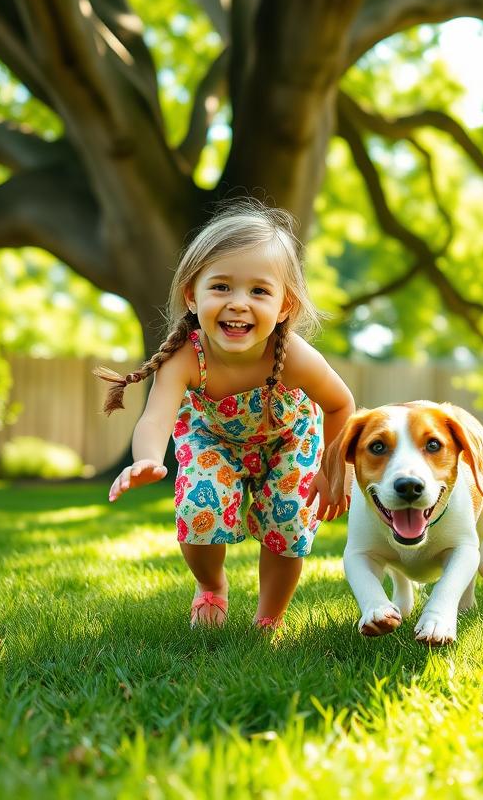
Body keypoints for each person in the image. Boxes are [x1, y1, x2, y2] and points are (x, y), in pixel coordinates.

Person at [96, 199, 355, 631]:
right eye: (221, 287)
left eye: (259, 291)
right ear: (191, 296)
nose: (238, 303)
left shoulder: (291, 355)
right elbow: (156, 417)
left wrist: (334, 470)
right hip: (212, 440)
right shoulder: (185, 356)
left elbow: (340, 404)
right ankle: (212, 586)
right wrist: (147, 459)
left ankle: (268, 619)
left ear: (285, 306)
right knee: (200, 511)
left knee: (288, 524)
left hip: (288, 441)